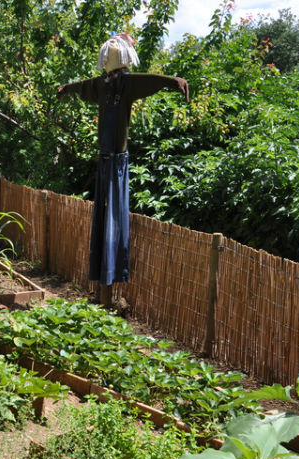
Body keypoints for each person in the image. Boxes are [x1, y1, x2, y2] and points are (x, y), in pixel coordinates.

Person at [56, 32, 189, 306]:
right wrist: (67, 89)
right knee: (107, 222)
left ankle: (109, 282)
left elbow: (148, 81)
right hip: (110, 163)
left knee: (111, 222)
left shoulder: (116, 84)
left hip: (113, 161)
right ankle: (104, 282)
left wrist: (171, 82)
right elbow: (84, 86)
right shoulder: (109, 85)